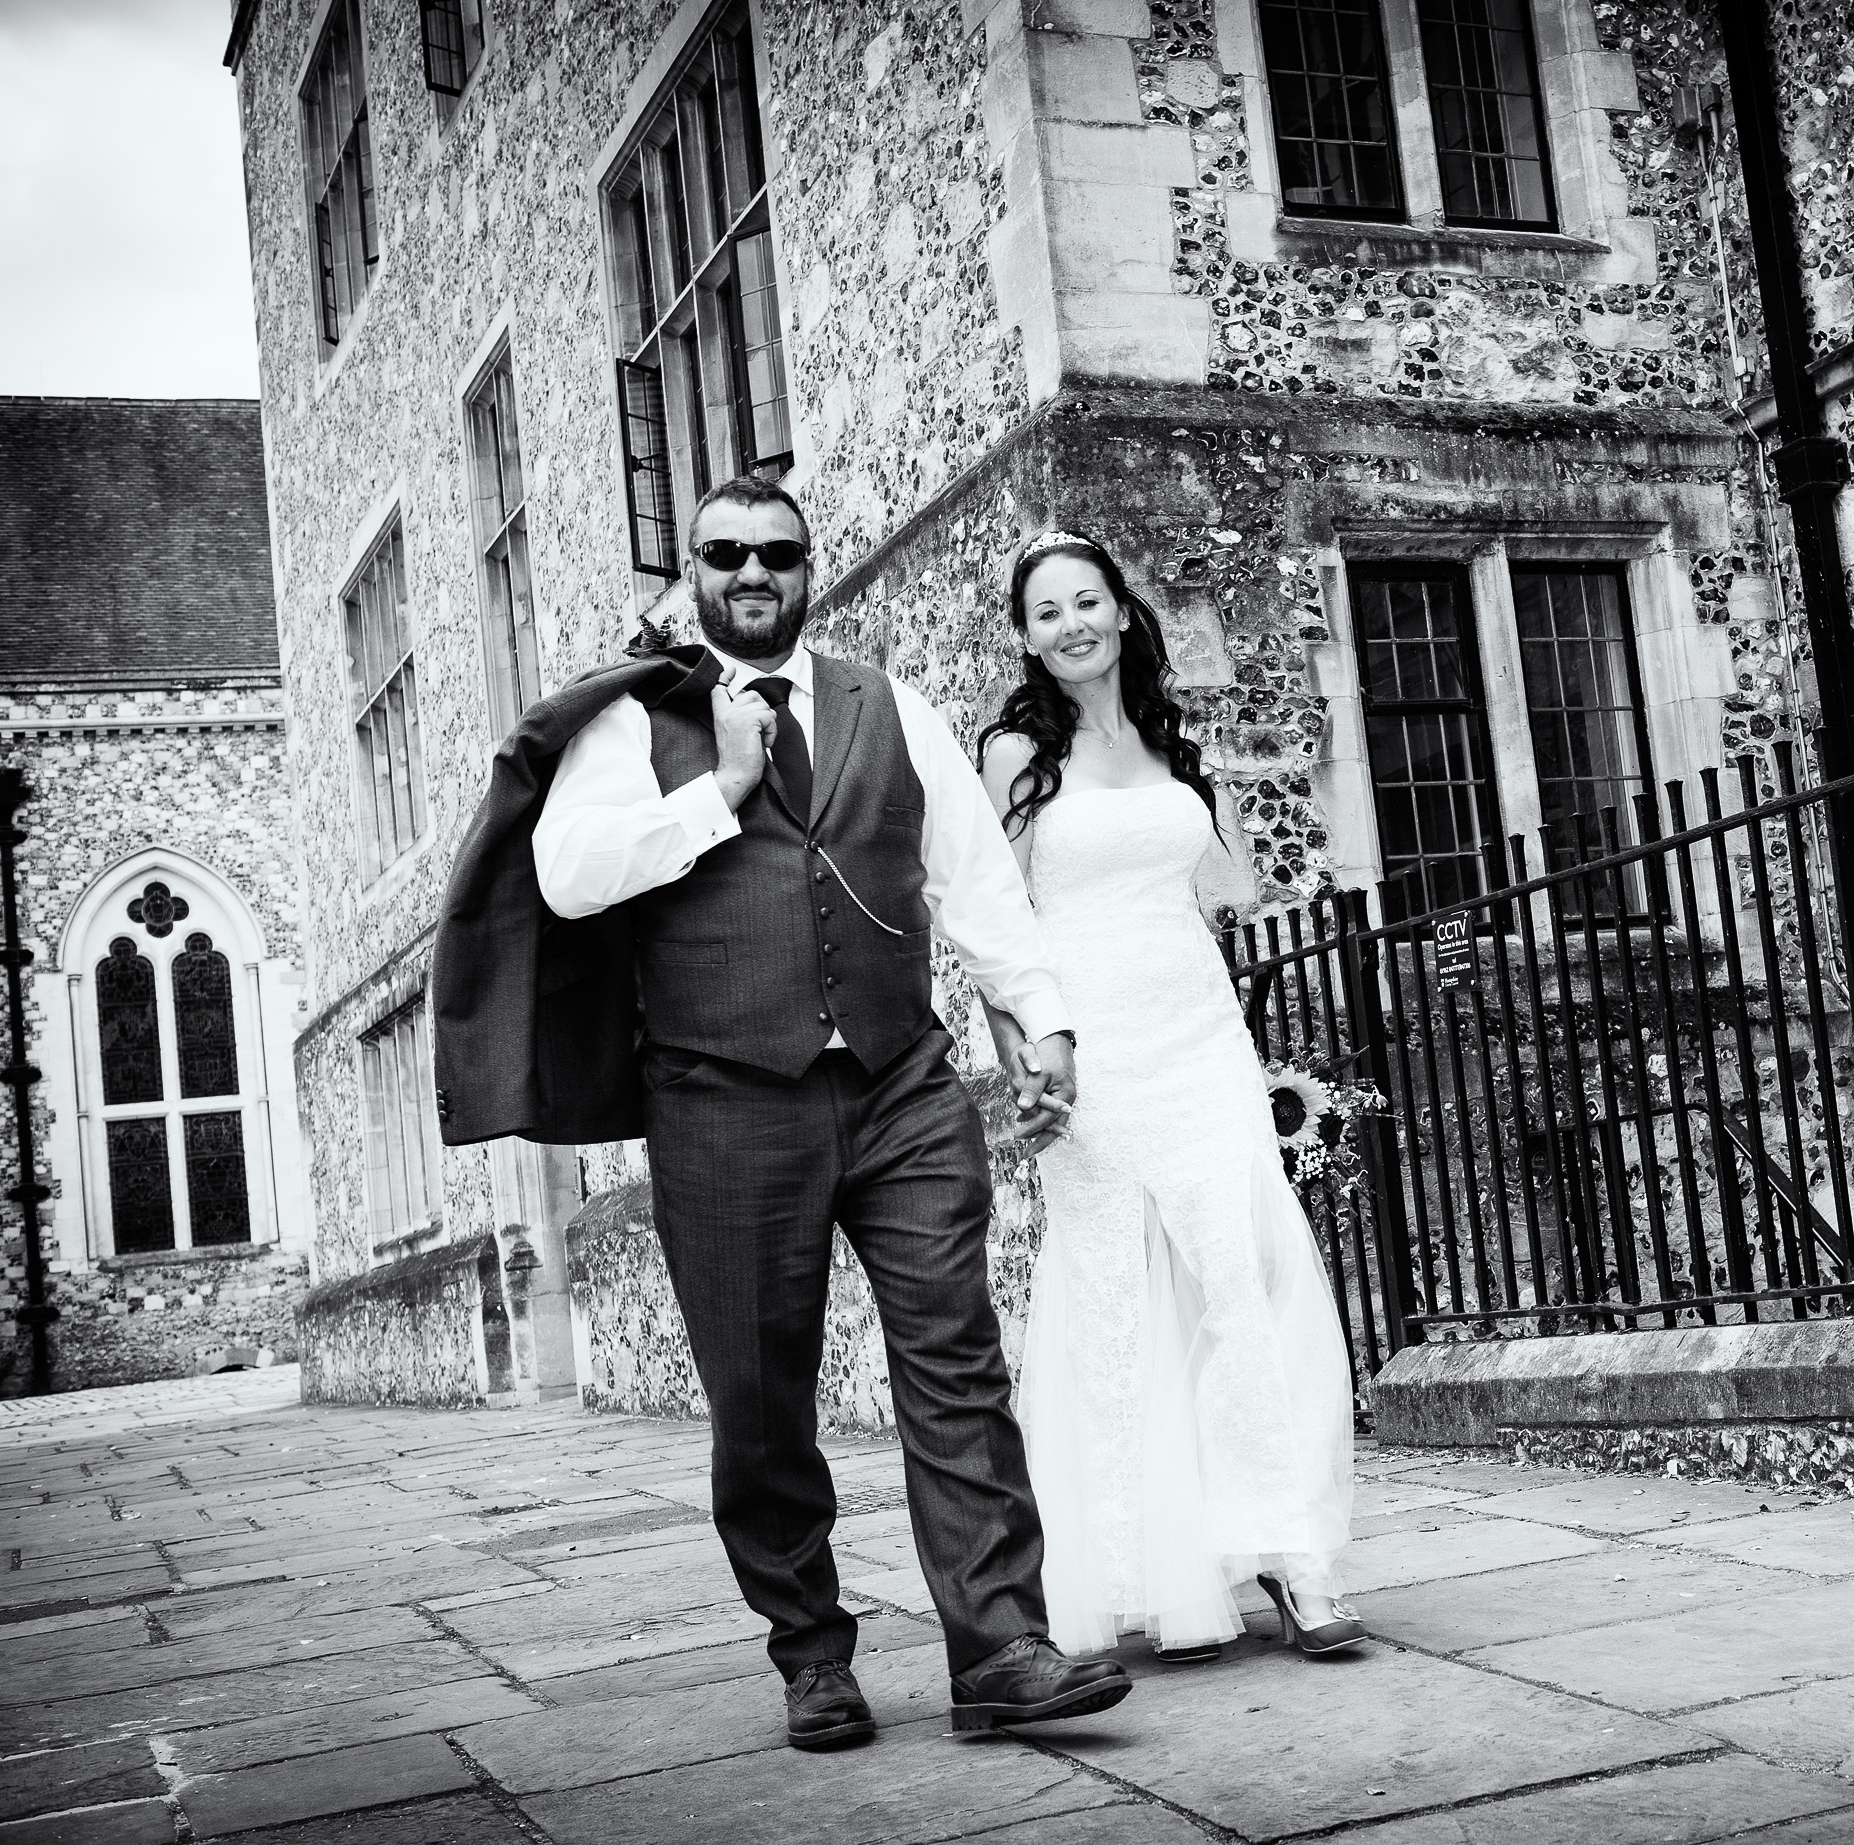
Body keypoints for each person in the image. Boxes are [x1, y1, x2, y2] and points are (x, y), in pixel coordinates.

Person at [435, 476, 1129, 1749]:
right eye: (726, 554)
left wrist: (1048, 1024)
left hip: (901, 1084)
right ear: (693, 570)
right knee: (761, 1404)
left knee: (957, 1368)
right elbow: (572, 877)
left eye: (779, 554)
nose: (753, 572)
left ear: (812, 568)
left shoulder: (886, 704)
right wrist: (722, 788)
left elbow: (972, 882)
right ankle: (812, 1653)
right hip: (723, 1102)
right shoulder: (635, 721)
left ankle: (1002, 1651)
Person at [976, 529, 1360, 1665]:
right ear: (1026, 637)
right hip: (1089, 1051)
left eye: (1088, 601)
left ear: (1122, 612)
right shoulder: (1010, 754)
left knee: (1242, 1274)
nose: (1072, 624)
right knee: (1113, 1293)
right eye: (1047, 612)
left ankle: (1295, 1558)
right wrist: (1026, 1057)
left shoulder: (1172, 744)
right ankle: (1145, 1568)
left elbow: (1223, 891)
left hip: (1199, 1037)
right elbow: (998, 932)